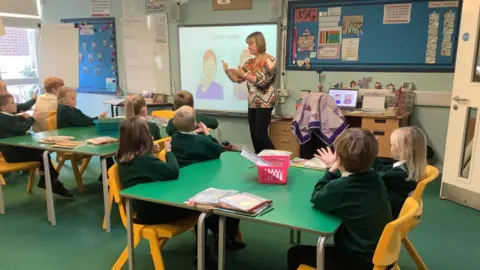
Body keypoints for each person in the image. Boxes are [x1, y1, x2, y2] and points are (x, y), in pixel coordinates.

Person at [288, 128, 392, 270]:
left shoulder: (341, 187)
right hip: (380, 254)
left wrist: (331, 170)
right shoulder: (376, 178)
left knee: (295, 253)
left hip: (359, 261)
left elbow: (317, 196)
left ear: (338, 159)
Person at [170, 105, 244, 250]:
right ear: (195, 123)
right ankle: (225, 236)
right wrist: (207, 133)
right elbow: (217, 150)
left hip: (183, 187)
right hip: (204, 187)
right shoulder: (202, 141)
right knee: (231, 201)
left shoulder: (174, 140)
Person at [0, 94, 72, 197]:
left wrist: (23, 116)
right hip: (12, 154)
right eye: (12, 103)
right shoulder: (3, 118)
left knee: (43, 153)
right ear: (3, 107)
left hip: (17, 150)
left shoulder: (7, 115)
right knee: (43, 153)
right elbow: (20, 128)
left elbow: (15, 123)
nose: (15, 104)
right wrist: (31, 119)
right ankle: (52, 180)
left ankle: (49, 180)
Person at [223, 31, 277, 154]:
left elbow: (263, 81)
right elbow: (238, 80)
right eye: (248, 44)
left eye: (251, 44)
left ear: (259, 43)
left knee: (260, 135)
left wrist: (245, 74)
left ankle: (275, 159)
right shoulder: (249, 62)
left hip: (265, 103)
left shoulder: (270, 60)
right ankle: (260, 160)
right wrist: (227, 71)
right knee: (254, 135)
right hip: (252, 103)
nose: (249, 47)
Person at [56, 87, 113, 181]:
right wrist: (96, 118)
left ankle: (106, 173)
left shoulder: (74, 110)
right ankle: (107, 174)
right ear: (63, 101)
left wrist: (98, 118)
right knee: (102, 148)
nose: (75, 101)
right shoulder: (63, 111)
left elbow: (86, 119)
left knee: (103, 146)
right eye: (72, 99)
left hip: (77, 138)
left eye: (75, 98)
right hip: (70, 143)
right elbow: (80, 122)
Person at [373, 127, 427, 218]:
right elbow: (384, 169)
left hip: (389, 213)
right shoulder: (409, 167)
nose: (390, 148)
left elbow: (377, 177)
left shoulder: (402, 173)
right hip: (394, 207)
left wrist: (369, 153)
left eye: (392, 145)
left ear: (404, 149)